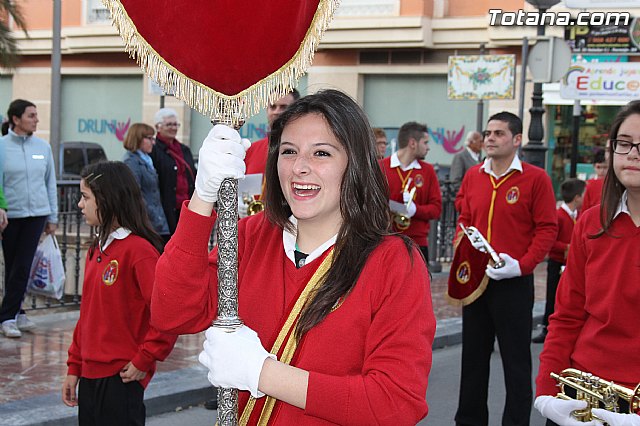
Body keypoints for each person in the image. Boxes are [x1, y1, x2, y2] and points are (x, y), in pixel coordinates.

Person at [151, 89, 436, 425]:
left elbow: (396, 404)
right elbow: (172, 313)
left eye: (321, 153)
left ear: (355, 163)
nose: (300, 167)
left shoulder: (395, 263)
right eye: (288, 151)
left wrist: (262, 373)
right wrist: (202, 198)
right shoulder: (250, 235)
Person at [535, 100, 640, 426]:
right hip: (581, 396)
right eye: (624, 144)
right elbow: (566, 316)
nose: (633, 154)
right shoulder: (591, 222)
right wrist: (545, 394)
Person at [453, 111, 558, 426]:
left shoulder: (536, 178)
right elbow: (464, 214)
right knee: (472, 359)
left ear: (516, 140)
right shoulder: (474, 175)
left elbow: (547, 229)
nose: (490, 139)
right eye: (488, 133)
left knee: (515, 363)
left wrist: (522, 265)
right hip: (477, 282)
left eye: (498, 133)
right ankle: (469, 421)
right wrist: (467, 237)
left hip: (513, 282)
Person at [61, 161, 177, 425]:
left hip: (120, 377)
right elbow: (88, 316)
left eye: (85, 197)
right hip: (90, 376)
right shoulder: (96, 249)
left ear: (107, 199)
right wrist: (74, 367)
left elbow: (166, 315)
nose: (80, 204)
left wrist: (144, 358)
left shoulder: (139, 252)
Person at [0, 99, 58, 338]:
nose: (36, 120)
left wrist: (53, 216)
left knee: (23, 265)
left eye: (36, 115)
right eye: (31, 116)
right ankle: (16, 312)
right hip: (11, 216)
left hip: (37, 215)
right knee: (13, 266)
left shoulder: (43, 148)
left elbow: (50, 182)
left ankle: (8, 316)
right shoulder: (2, 147)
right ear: (16, 119)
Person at [532, 178, 586, 344]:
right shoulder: (559, 216)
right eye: (583, 195)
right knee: (552, 295)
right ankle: (546, 328)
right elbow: (551, 241)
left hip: (571, 263)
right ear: (577, 197)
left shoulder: (578, 215)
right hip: (557, 262)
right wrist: (567, 247)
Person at [380, 121, 442, 262]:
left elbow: (436, 209)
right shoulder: (381, 167)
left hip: (417, 243)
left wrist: (415, 210)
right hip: (384, 241)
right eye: (425, 143)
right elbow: (369, 202)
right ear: (413, 143)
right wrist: (397, 207)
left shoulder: (428, 171)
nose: (428, 148)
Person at [149, 108, 196, 235]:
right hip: (165, 211)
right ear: (158, 127)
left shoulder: (184, 150)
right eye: (169, 124)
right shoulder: (154, 150)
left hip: (186, 209)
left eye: (175, 124)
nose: (173, 128)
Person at [123, 123, 170, 243]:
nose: (153, 142)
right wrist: (153, 215)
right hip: (147, 223)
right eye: (149, 138)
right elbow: (135, 194)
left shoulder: (147, 159)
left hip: (157, 222)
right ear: (138, 138)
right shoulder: (132, 162)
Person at [451, 131, 484, 211]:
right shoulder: (460, 157)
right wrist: (464, 198)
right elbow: (455, 179)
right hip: (466, 201)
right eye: (480, 141)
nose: (482, 144)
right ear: (471, 142)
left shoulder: (479, 158)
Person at [580, 148, 608, 213]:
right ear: (594, 166)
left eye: (605, 167)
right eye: (598, 167)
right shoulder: (587, 184)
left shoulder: (614, 184)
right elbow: (584, 207)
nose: (602, 171)